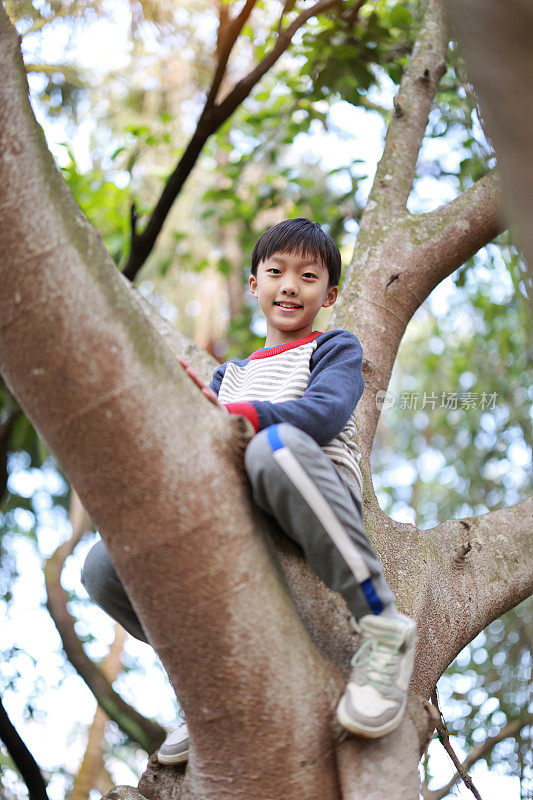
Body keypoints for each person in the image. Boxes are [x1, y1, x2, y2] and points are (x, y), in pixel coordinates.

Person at [81, 218, 417, 766]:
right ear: (255, 283)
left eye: (308, 276)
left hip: (310, 482)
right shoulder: (230, 375)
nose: (290, 285)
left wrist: (236, 417)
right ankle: (205, 682)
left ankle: (382, 627)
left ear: (329, 293)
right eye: (276, 272)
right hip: (240, 508)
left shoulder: (335, 347)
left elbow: (324, 414)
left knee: (273, 447)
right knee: (101, 564)